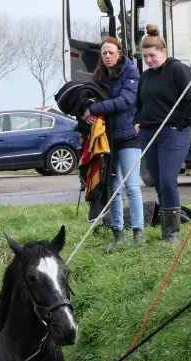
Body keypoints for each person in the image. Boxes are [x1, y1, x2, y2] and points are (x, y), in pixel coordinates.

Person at [135, 24, 191, 244]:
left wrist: (180, 125)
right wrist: (137, 121)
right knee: (156, 180)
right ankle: (166, 228)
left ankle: (172, 233)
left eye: (152, 55)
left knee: (167, 180)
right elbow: (138, 104)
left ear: (163, 52)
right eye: (145, 56)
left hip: (172, 134)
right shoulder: (145, 77)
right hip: (149, 133)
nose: (149, 60)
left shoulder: (178, 70)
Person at [85, 36, 144, 252]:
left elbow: (126, 101)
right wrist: (85, 110)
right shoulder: (98, 76)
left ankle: (138, 232)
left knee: (131, 186)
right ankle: (118, 234)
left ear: (119, 52)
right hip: (107, 139)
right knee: (113, 187)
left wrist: (95, 109)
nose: (107, 56)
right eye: (104, 53)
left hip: (129, 136)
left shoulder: (131, 72)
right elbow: (88, 97)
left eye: (111, 52)